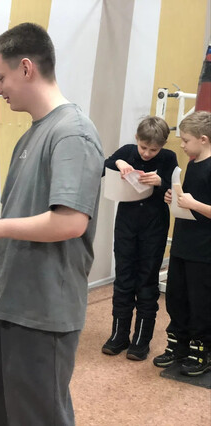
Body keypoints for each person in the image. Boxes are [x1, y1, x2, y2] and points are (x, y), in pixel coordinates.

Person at [0, 23, 104, 426]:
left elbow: (70, 222)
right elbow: (14, 216)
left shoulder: (72, 134)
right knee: (3, 413)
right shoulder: (31, 136)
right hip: (7, 304)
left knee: (38, 418)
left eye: (0, 78)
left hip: (43, 311)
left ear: (26, 68)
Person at [102, 116, 178, 361]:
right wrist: (121, 162)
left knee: (147, 281)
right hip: (126, 225)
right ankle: (118, 335)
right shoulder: (128, 151)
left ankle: (141, 340)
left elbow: (175, 189)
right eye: (143, 147)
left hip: (154, 226)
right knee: (124, 278)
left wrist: (160, 182)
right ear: (137, 139)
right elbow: (105, 165)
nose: (146, 153)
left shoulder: (168, 158)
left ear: (162, 146)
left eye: (153, 150)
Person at [153, 111, 211, 376]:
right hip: (182, 244)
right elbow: (189, 200)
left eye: (186, 140)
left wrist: (193, 204)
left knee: (200, 302)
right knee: (177, 297)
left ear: (203, 139)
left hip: (204, 250)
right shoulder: (194, 163)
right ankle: (179, 345)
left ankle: (202, 351)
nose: (183, 145)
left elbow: (199, 204)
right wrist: (174, 199)